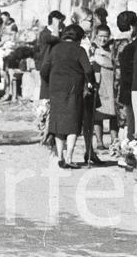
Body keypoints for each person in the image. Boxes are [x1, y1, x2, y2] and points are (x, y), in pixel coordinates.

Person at [41, 24, 97, 169]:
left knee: (58, 123)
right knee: (73, 123)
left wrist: (50, 82)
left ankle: (60, 156)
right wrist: (91, 82)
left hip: (56, 90)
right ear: (78, 37)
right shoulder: (79, 50)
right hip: (73, 90)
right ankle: (69, 157)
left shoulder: (55, 49)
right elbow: (88, 69)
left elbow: (44, 69)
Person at [89, 24, 118, 149]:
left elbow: (114, 63)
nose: (103, 39)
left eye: (106, 36)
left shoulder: (113, 47)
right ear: (96, 36)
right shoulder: (91, 47)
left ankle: (114, 141)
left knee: (113, 113)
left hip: (111, 81)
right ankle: (99, 141)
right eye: (100, 36)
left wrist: (102, 56)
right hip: (97, 82)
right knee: (98, 114)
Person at [115, 11, 137, 138]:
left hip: (118, 86)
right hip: (129, 85)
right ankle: (127, 152)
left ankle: (123, 153)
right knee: (131, 122)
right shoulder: (129, 44)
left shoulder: (114, 43)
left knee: (124, 123)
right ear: (132, 26)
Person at [36, 10, 65, 100]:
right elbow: (54, 39)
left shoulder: (60, 33)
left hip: (57, 65)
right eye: (60, 20)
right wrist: (56, 25)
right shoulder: (45, 33)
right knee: (45, 91)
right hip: (46, 65)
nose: (62, 23)